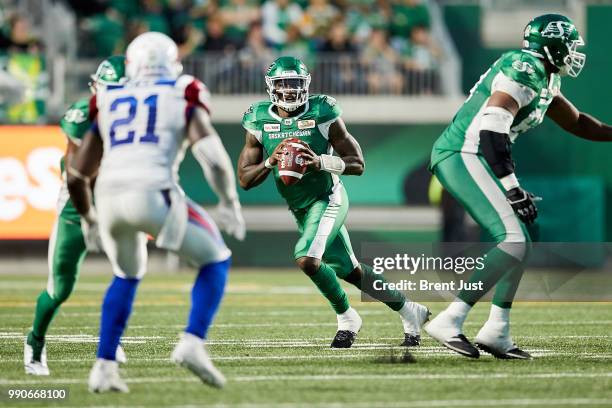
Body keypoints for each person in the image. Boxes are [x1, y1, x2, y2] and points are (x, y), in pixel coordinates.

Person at [66, 32, 245, 392]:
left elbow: (77, 175)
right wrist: (228, 201)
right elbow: (212, 157)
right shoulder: (182, 90)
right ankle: (192, 342)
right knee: (216, 259)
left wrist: (89, 218)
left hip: (109, 198)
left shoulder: (109, 96)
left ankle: (103, 367)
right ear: (172, 63)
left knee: (126, 274)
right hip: (153, 192)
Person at [426, 14, 612, 359]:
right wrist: (512, 186)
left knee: (524, 236)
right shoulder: (524, 67)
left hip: (479, 155)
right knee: (512, 240)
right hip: (462, 152)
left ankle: (497, 329)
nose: (573, 53)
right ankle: (450, 319)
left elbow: (580, 123)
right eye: (569, 45)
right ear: (552, 44)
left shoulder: (545, 77)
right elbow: (492, 129)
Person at [237, 56, 429, 348]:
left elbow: (357, 163)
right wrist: (270, 160)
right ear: (271, 88)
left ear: (306, 86)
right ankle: (410, 310)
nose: (289, 91)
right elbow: (245, 180)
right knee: (350, 270)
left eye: (295, 84)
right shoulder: (258, 118)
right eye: (283, 84)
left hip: (327, 197)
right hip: (299, 207)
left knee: (307, 258)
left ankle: (347, 318)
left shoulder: (322, 110)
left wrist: (320, 162)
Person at [23, 56, 127, 376]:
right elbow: (77, 173)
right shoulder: (84, 115)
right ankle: (35, 343)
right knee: (60, 288)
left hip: (116, 207)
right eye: (103, 89)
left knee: (128, 275)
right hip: (76, 210)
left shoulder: (138, 117)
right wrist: (88, 217)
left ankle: (110, 338)